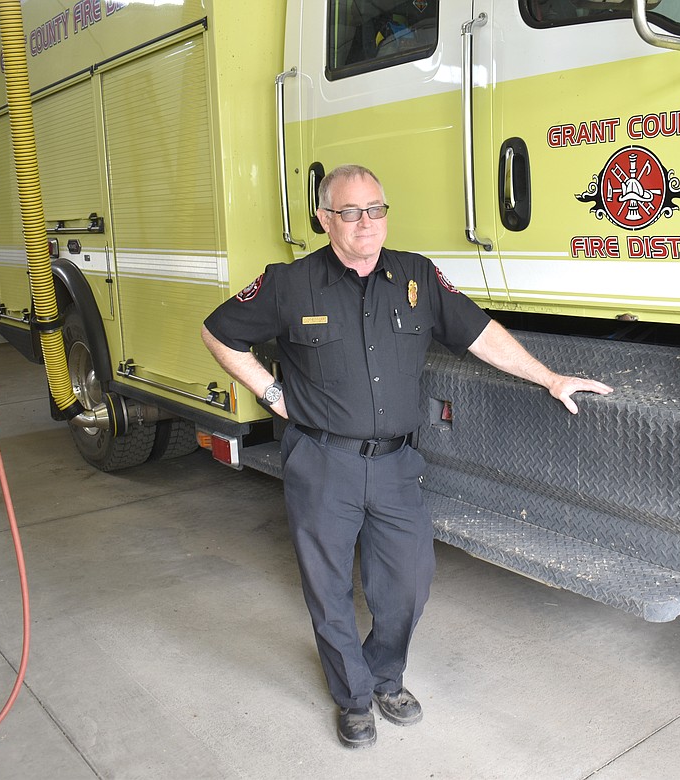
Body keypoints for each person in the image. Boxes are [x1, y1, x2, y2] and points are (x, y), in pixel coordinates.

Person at [201, 164, 612, 749]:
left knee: (408, 584)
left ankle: (384, 675)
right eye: (349, 211)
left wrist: (548, 377)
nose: (365, 223)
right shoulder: (289, 284)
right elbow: (218, 331)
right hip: (322, 462)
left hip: (396, 464)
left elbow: (478, 332)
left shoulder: (416, 276)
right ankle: (352, 696)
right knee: (328, 590)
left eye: (375, 209)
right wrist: (270, 392)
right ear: (323, 218)